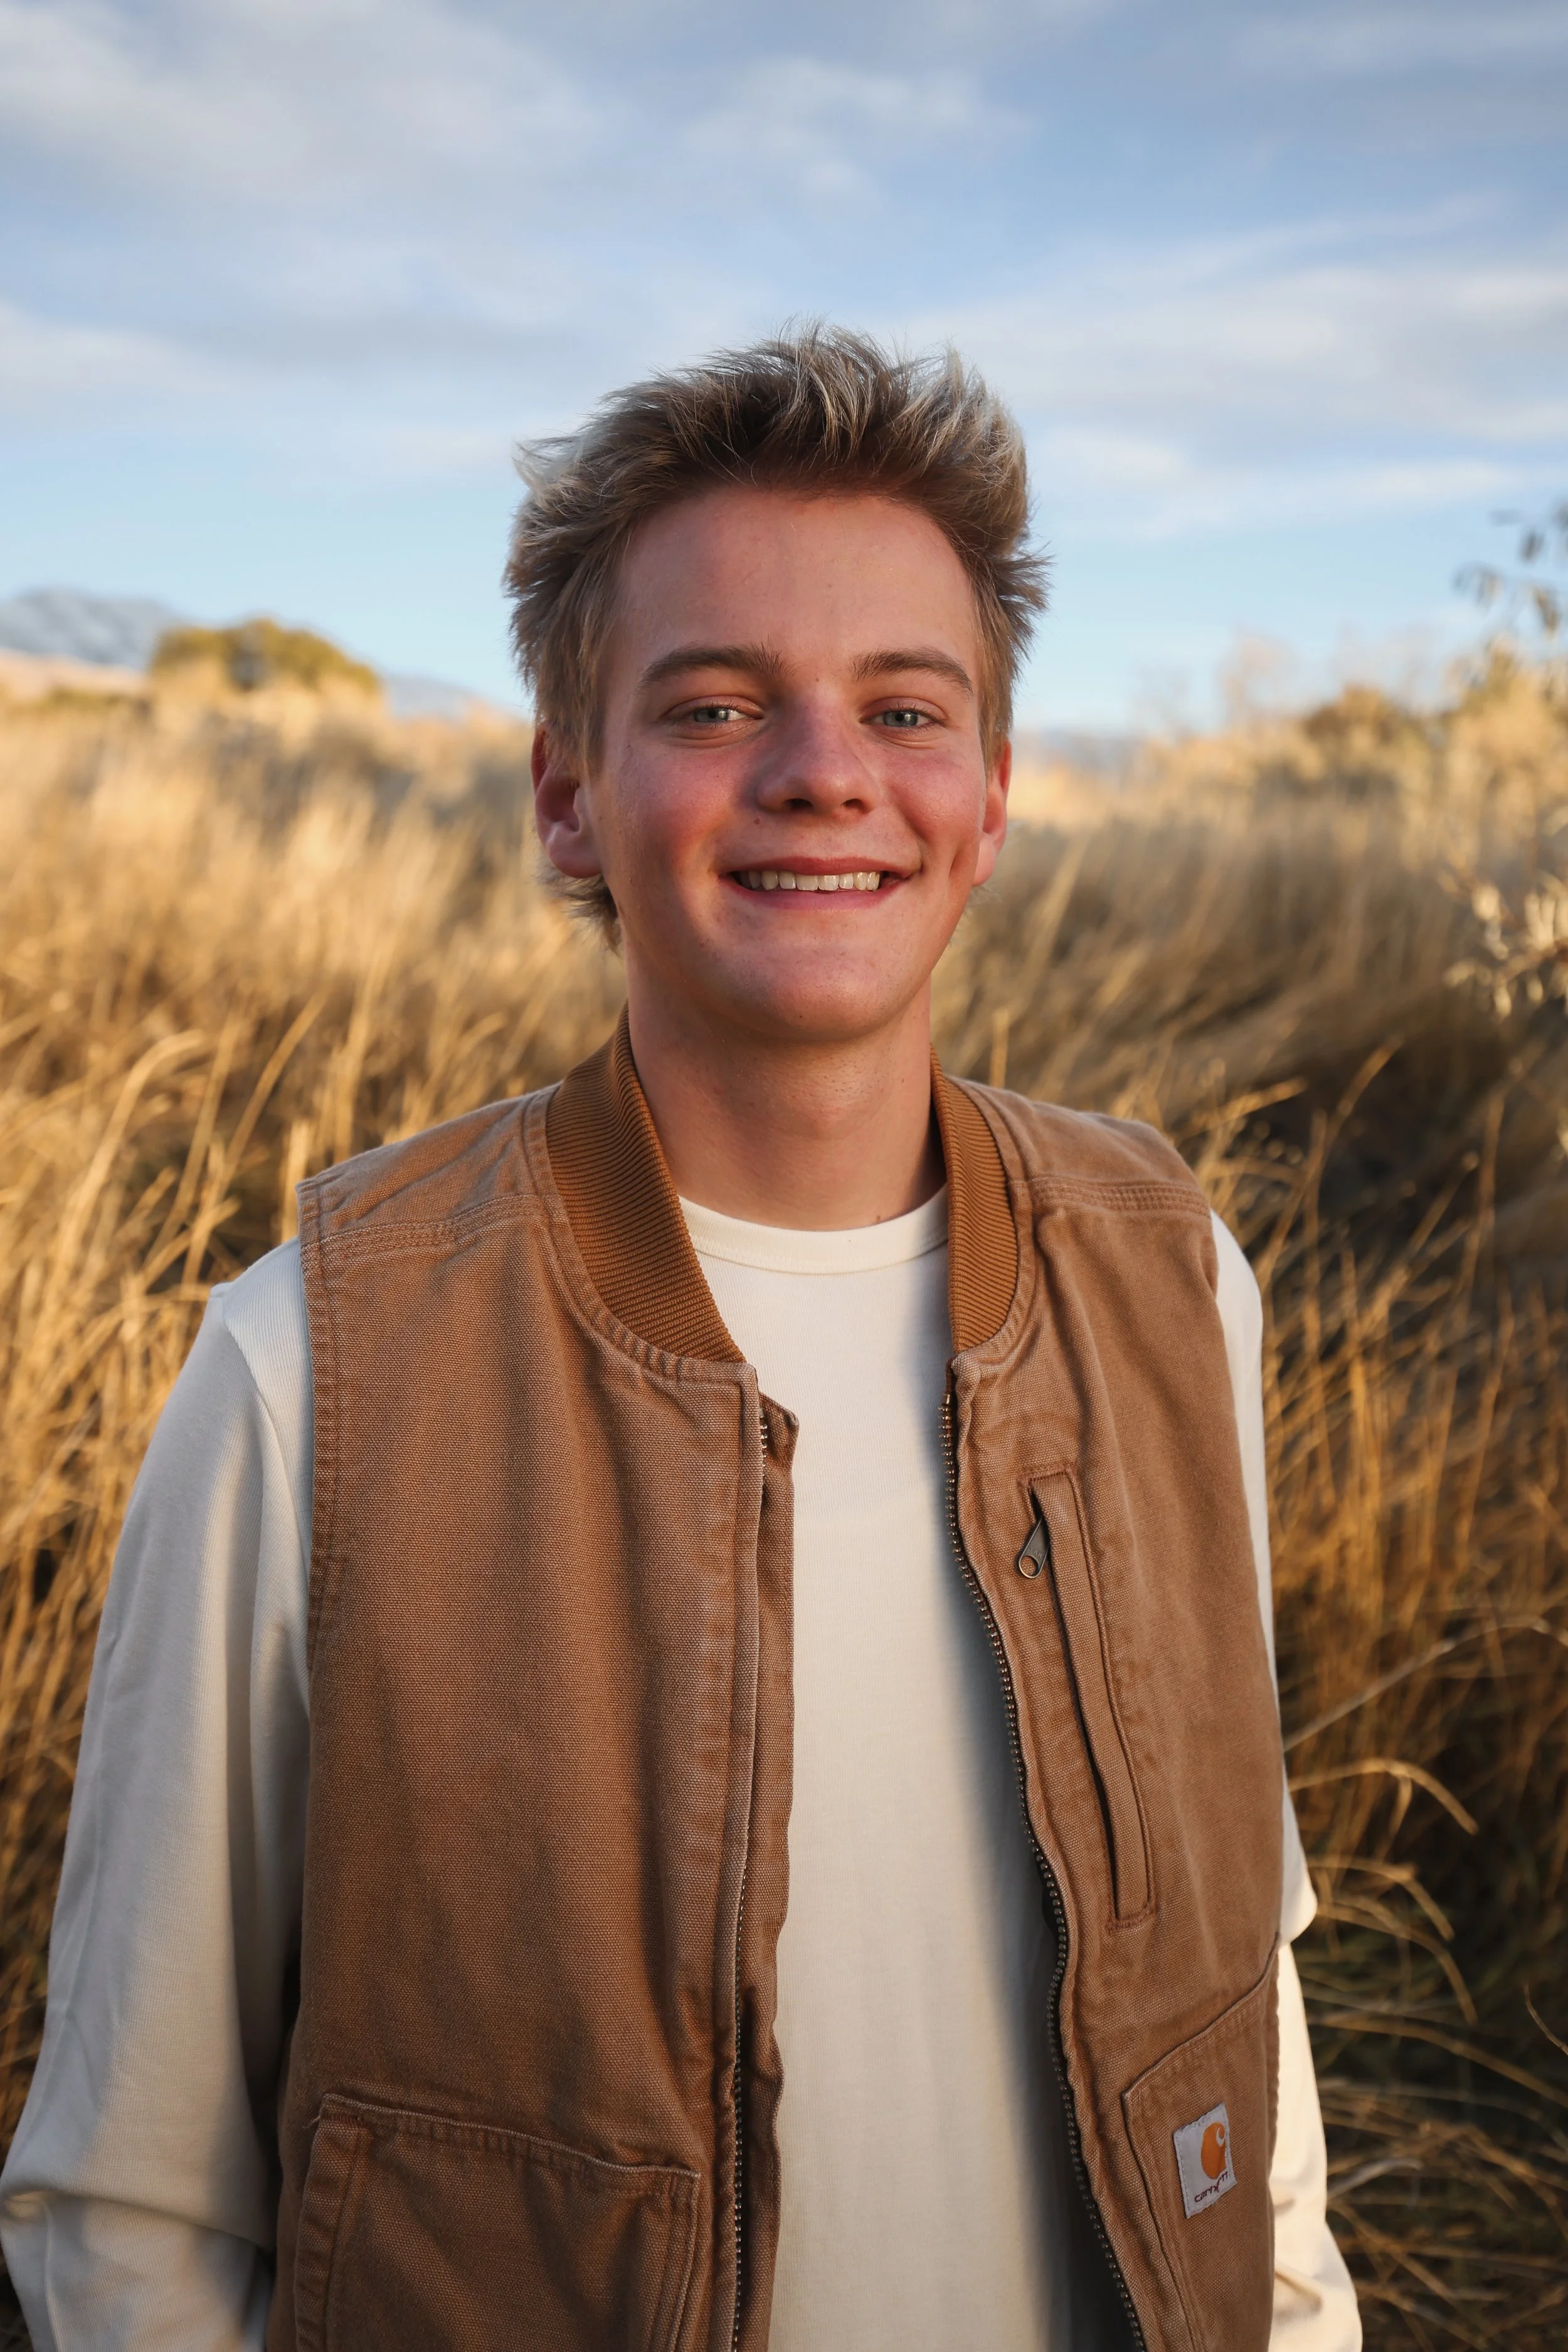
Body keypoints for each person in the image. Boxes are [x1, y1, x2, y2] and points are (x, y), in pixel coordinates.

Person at [0, 329, 1360, 2351]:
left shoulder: (1170, 1279)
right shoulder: (319, 1361)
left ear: (986, 796)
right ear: (568, 795)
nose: (824, 767)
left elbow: (1233, 2005)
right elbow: (128, 2205)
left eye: (905, 705)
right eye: (715, 702)